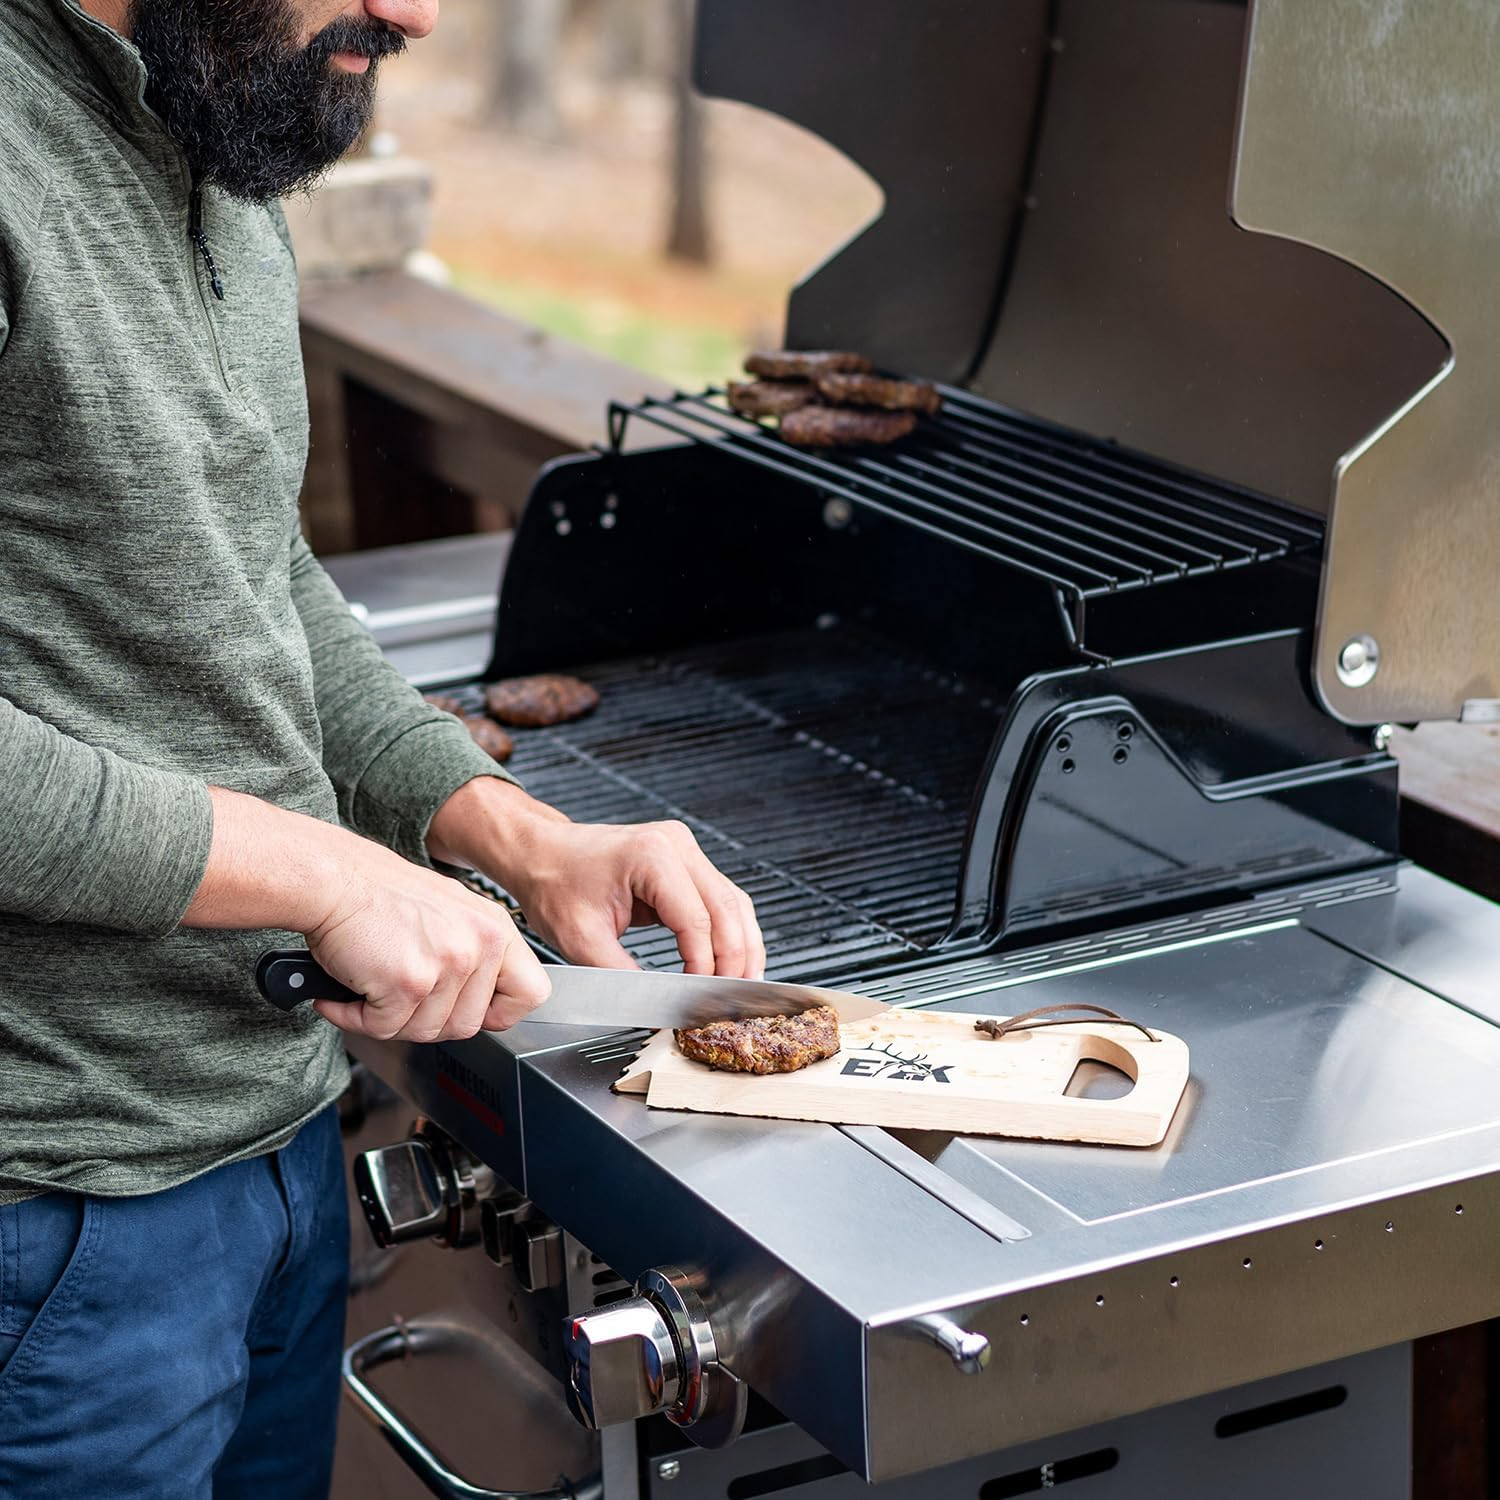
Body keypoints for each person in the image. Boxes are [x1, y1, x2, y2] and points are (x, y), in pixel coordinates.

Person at [0, 2, 765, 1494]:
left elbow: (250, 575)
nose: (415, 11)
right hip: (53, 1215)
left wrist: (506, 829)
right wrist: (318, 871)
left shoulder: (209, 112)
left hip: (270, 1146)